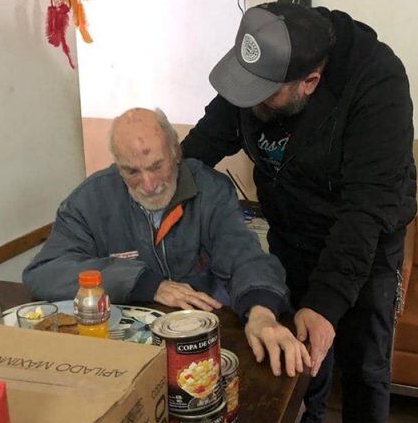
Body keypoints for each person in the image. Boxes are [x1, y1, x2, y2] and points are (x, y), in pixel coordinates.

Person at [182, 3, 417, 423]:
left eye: (262, 94)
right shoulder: (260, 63)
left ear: (311, 80)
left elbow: (366, 211)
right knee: (298, 339)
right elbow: (203, 144)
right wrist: (162, 192)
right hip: (292, 228)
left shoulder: (377, 83)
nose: (248, 101)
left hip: (367, 242)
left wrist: (328, 303)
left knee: (364, 362)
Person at [23, 107, 311, 380]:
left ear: (175, 152)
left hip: (206, 341)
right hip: (125, 353)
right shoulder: (91, 199)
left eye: (156, 166)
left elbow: (243, 256)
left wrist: (260, 311)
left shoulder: (210, 190)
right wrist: (144, 282)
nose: (148, 184)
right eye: (131, 171)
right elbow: (45, 271)